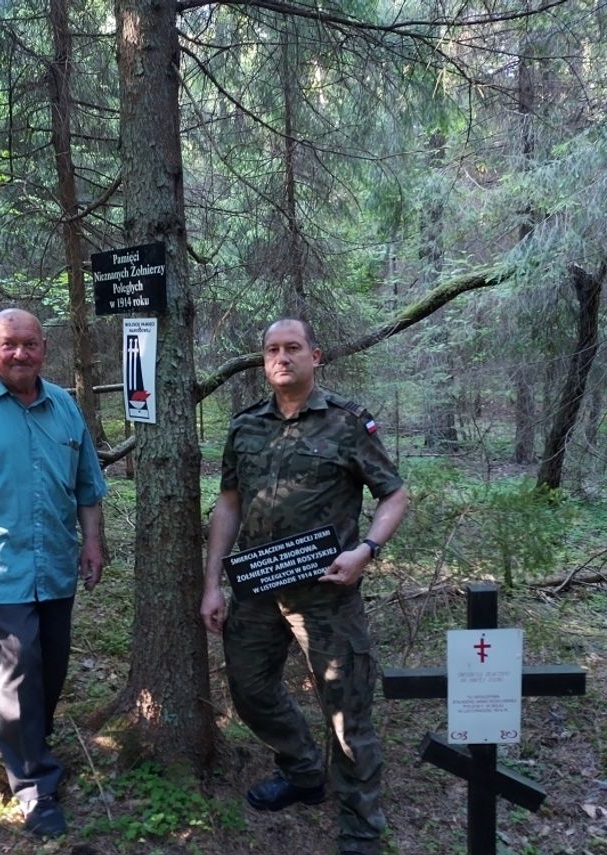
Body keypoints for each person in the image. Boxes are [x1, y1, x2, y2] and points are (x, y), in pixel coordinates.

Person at [201, 318, 409, 855]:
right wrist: (212, 583)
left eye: (293, 348)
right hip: (256, 586)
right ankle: (302, 771)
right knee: (248, 690)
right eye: (272, 349)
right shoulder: (246, 426)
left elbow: (394, 495)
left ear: (315, 356)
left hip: (325, 592)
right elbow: (228, 503)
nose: (282, 357)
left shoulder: (345, 423)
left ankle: (361, 827)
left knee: (347, 710)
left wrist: (366, 551)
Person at [0, 308, 107, 839]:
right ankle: (33, 786)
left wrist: (94, 541)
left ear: (44, 349)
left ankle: (35, 738)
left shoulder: (65, 408)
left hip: (54, 564)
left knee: (51, 665)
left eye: (29, 344)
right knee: (21, 666)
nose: (19, 354)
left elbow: (87, 485)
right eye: (8, 344)